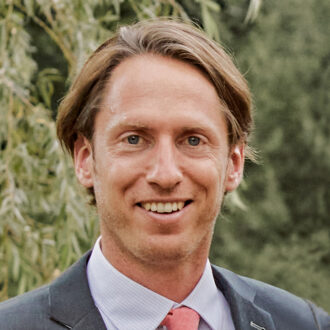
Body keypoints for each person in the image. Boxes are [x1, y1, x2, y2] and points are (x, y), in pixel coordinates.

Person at [0, 18, 329, 330]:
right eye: (134, 139)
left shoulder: (305, 324)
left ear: (234, 162)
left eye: (193, 140)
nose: (165, 174)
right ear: (85, 159)